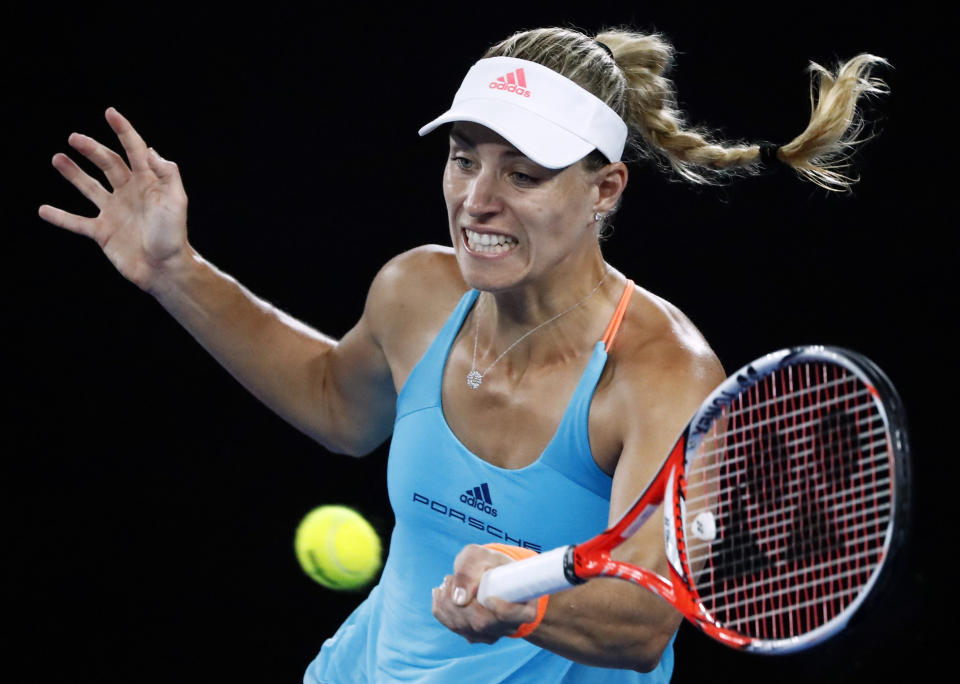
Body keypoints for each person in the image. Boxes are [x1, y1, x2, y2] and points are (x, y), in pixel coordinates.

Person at [38, 25, 886, 684]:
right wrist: (171, 271)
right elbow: (339, 407)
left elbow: (641, 622)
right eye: (462, 158)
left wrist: (523, 607)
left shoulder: (661, 374)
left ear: (604, 189)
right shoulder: (417, 292)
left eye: (522, 174)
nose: (477, 200)